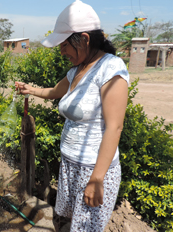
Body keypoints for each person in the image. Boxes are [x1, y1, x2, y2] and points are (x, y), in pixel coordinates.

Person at [15, 0, 129, 231]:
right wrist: (30, 89)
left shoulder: (111, 69)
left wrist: (96, 179)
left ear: (85, 39)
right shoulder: (76, 70)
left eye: (64, 44)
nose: (61, 51)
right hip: (69, 164)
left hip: (93, 169)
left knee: (85, 227)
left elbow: (114, 127)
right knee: (67, 222)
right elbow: (54, 93)